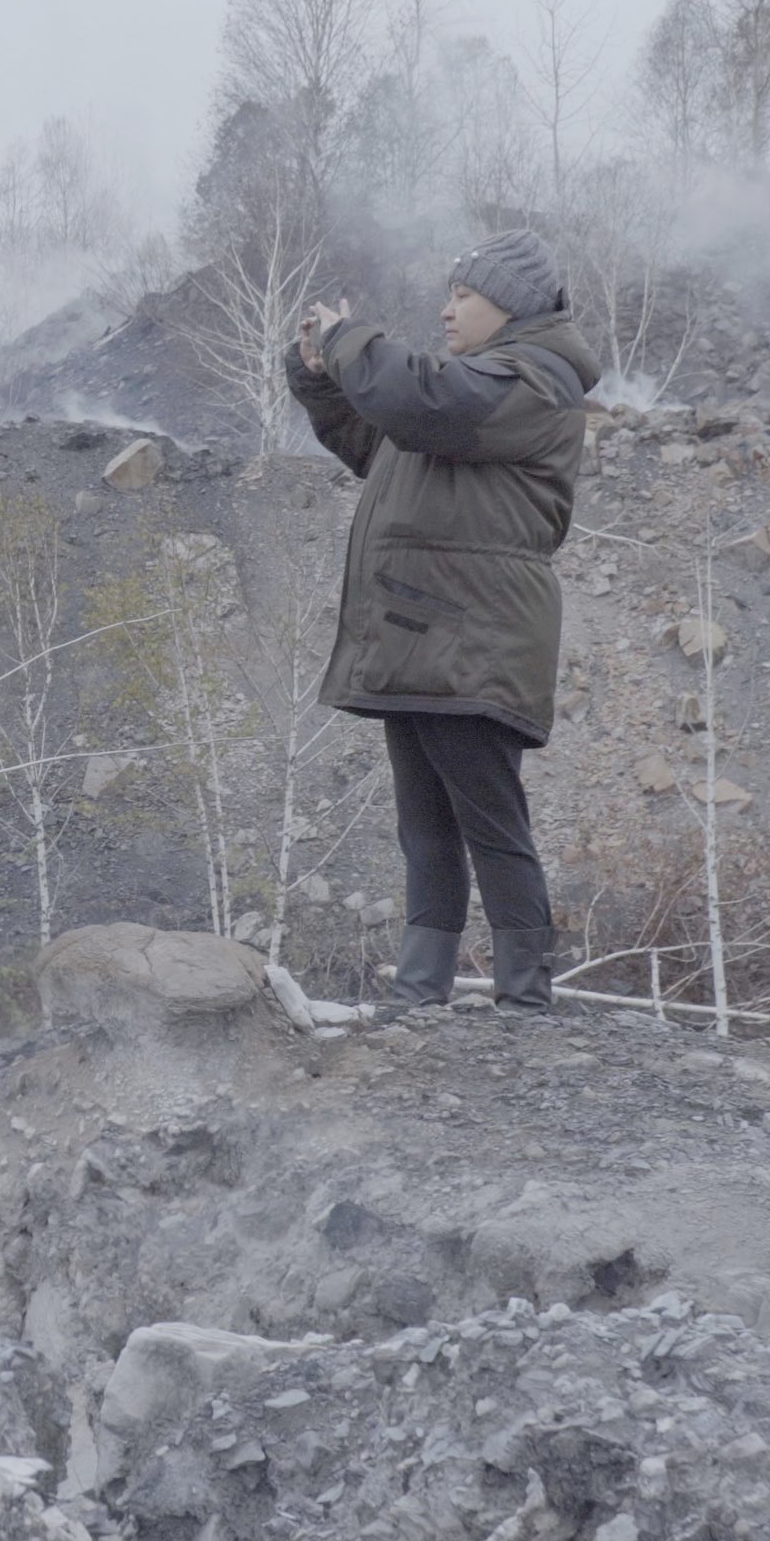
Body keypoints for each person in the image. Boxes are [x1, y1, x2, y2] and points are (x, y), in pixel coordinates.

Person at [285, 227, 596, 1018]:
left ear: (509, 306)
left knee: (490, 823)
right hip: (425, 636)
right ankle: (421, 993)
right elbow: (381, 437)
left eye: (463, 296)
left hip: (474, 639)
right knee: (424, 825)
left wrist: (352, 339)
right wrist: (322, 377)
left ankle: (524, 998)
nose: (447, 311)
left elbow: (418, 401)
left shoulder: (529, 382)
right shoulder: (468, 396)